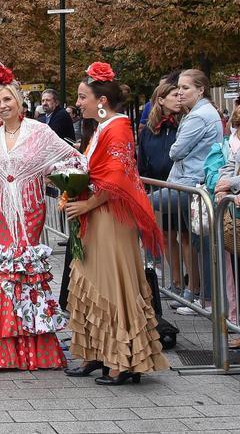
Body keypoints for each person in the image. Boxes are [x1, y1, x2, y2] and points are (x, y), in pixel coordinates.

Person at [0, 70, 83, 370]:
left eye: (7, 99)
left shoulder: (39, 131)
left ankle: (30, 346)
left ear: (19, 101)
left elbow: (72, 159)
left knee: (22, 270)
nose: (3, 105)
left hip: (29, 208)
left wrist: (55, 182)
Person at [64, 62, 169, 384]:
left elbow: (117, 177)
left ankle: (121, 360)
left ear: (101, 101)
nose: (78, 103)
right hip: (98, 216)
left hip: (110, 216)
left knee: (111, 285)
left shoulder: (119, 127)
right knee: (91, 282)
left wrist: (87, 202)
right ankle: (97, 352)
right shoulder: (103, 128)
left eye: (83, 97)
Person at [155, 69, 223, 314]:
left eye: (185, 88)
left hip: (192, 184)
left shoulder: (198, 116)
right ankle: (198, 295)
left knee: (199, 242)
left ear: (201, 90)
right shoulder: (198, 113)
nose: (180, 93)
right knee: (195, 240)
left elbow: (176, 151)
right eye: (179, 88)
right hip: (191, 183)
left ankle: (203, 297)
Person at [137, 83, 179, 182]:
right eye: (175, 95)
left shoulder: (183, 125)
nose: (179, 99)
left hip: (178, 186)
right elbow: (142, 162)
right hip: (153, 186)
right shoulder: (148, 129)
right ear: (161, 100)